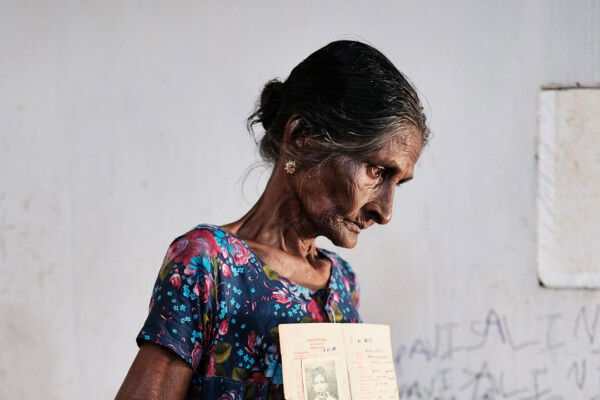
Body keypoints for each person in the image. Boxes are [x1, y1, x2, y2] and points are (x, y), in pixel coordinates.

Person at [116, 40, 429, 400]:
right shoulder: (208, 264)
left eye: (398, 184)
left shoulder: (342, 284)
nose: (385, 211)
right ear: (302, 138)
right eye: (377, 170)